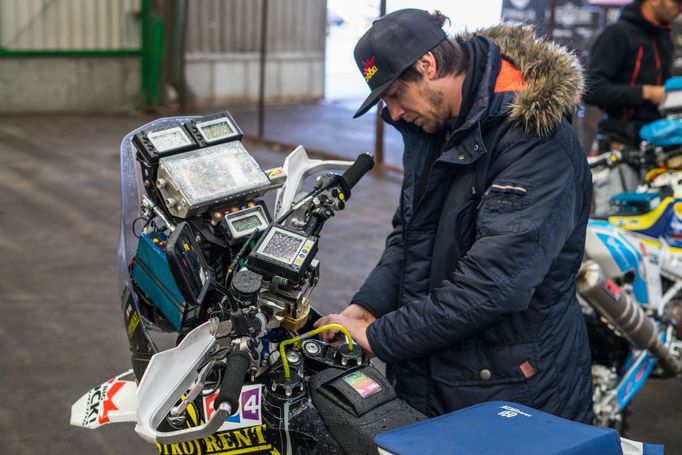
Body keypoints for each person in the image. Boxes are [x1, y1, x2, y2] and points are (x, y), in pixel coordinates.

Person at [315, 9, 594, 423]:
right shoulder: (439, 125)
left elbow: (495, 285)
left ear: (427, 66)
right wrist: (368, 307)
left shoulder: (536, 142)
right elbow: (411, 236)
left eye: (393, 94)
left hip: (512, 393)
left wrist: (379, 336)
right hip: (439, 372)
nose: (392, 113)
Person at [585, 0, 681, 148]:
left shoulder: (663, 37)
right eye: (677, 2)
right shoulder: (616, 35)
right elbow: (592, 90)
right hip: (620, 142)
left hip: (659, 140)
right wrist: (645, 92)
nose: (679, 9)